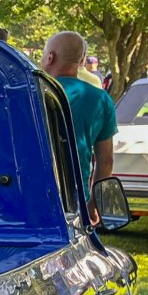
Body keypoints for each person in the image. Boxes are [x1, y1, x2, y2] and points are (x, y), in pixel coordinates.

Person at [41, 31, 116, 223]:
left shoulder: (29, 93)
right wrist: (94, 202)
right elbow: (105, 160)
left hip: (29, 196)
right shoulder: (100, 99)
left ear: (50, 57)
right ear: (82, 61)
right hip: (73, 200)